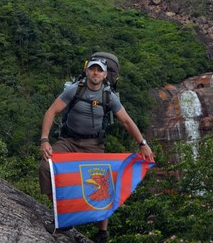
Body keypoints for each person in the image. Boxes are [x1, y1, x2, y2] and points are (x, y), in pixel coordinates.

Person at [39, 56, 155, 243]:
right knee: (46, 168)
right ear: (87, 71)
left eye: (99, 70)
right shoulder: (74, 90)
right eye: (92, 69)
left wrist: (142, 143)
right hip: (68, 140)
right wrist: (45, 140)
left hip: (93, 145)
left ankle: (102, 232)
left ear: (105, 74)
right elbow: (51, 111)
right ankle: (63, 216)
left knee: (104, 181)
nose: (95, 73)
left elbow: (126, 121)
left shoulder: (109, 96)